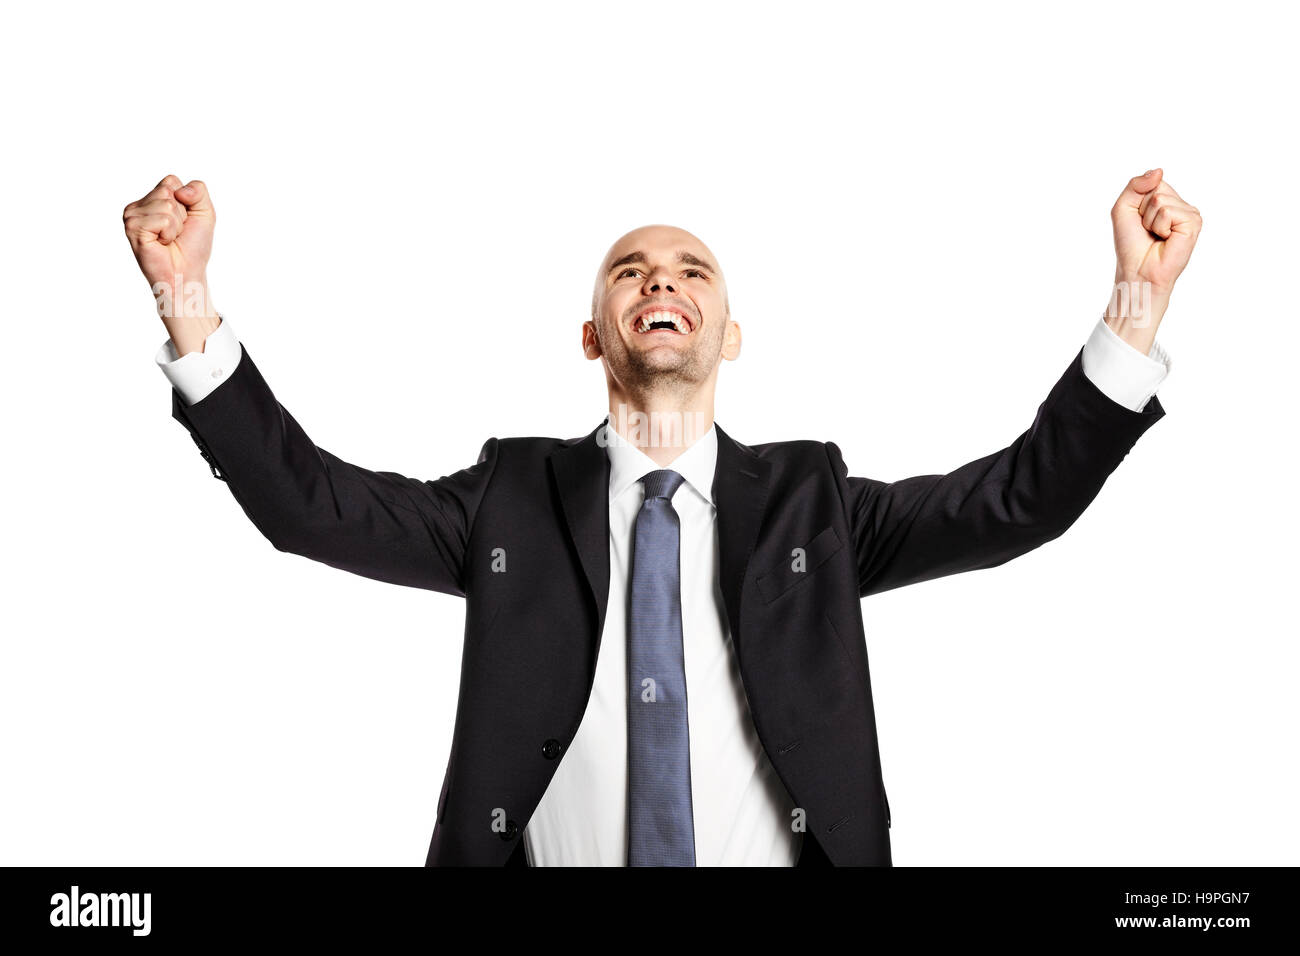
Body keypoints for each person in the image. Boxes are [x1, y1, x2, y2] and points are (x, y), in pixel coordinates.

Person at [121, 171, 1201, 865]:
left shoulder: (811, 502)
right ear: (593, 335)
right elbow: (308, 505)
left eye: (691, 270)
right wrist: (187, 299)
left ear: (729, 333)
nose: (659, 281)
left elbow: (1022, 497)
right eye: (628, 271)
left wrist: (1136, 304)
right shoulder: (508, 497)